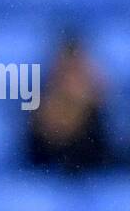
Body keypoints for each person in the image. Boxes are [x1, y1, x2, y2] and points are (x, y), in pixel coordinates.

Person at [25, 35, 113, 172]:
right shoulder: (36, 113)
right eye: (65, 72)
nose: (70, 82)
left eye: (76, 72)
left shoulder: (101, 115)